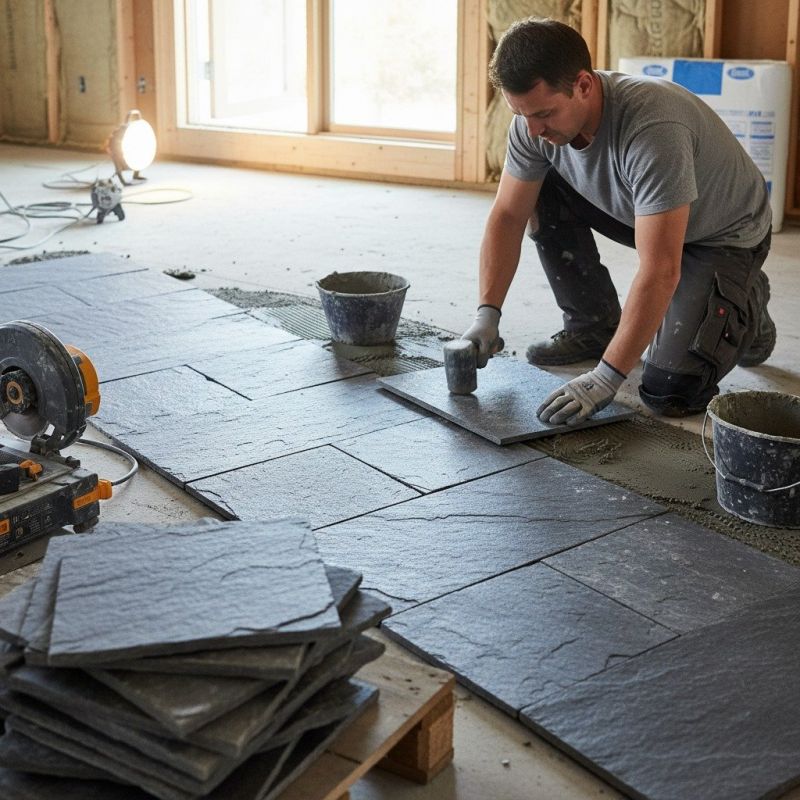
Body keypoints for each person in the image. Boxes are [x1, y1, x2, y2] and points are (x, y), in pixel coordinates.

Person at [461, 17, 775, 426]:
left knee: (669, 391)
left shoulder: (653, 127)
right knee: (538, 189)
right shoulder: (532, 125)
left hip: (722, 234)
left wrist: (606, 377)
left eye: (544, 114)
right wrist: (487, 314)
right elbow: (507, 215)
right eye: (522, 115)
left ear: (584, 85)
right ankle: (592, 325)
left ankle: (745, 296)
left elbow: (661, 268)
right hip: (642, 210)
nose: (534, 130)